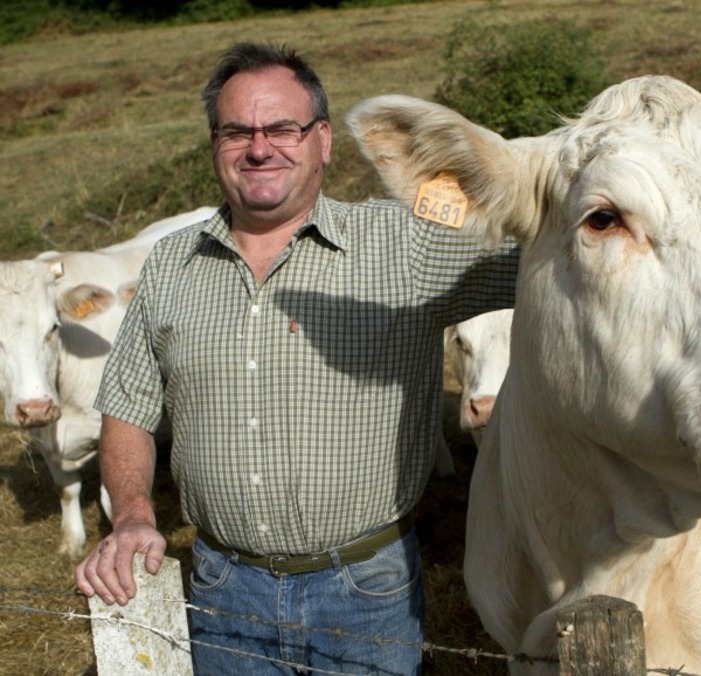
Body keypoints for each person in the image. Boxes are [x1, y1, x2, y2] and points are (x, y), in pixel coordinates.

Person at [74, 41, 517, 674]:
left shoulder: (404, 245)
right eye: (237, 131)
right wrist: (134, 517)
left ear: (323, 140)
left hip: (366, 592)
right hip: (222, 589)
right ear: (215, 143)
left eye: (283, 127)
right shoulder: (172, 265)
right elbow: (128, 409)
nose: (260, 147)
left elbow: (557, 258)